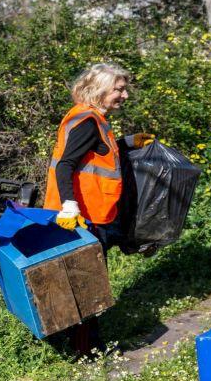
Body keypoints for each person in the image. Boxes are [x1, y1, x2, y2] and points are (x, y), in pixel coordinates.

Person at [43, 62, 153, 252]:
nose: (125, 95)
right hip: (82, 216)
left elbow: (98, 152)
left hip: (92, 212)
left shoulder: (90, 116)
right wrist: (69, 207)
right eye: (119, 90)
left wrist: (128, 142)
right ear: (100, 89)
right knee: (88, 269)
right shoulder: (88, 122)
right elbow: (65, 164)